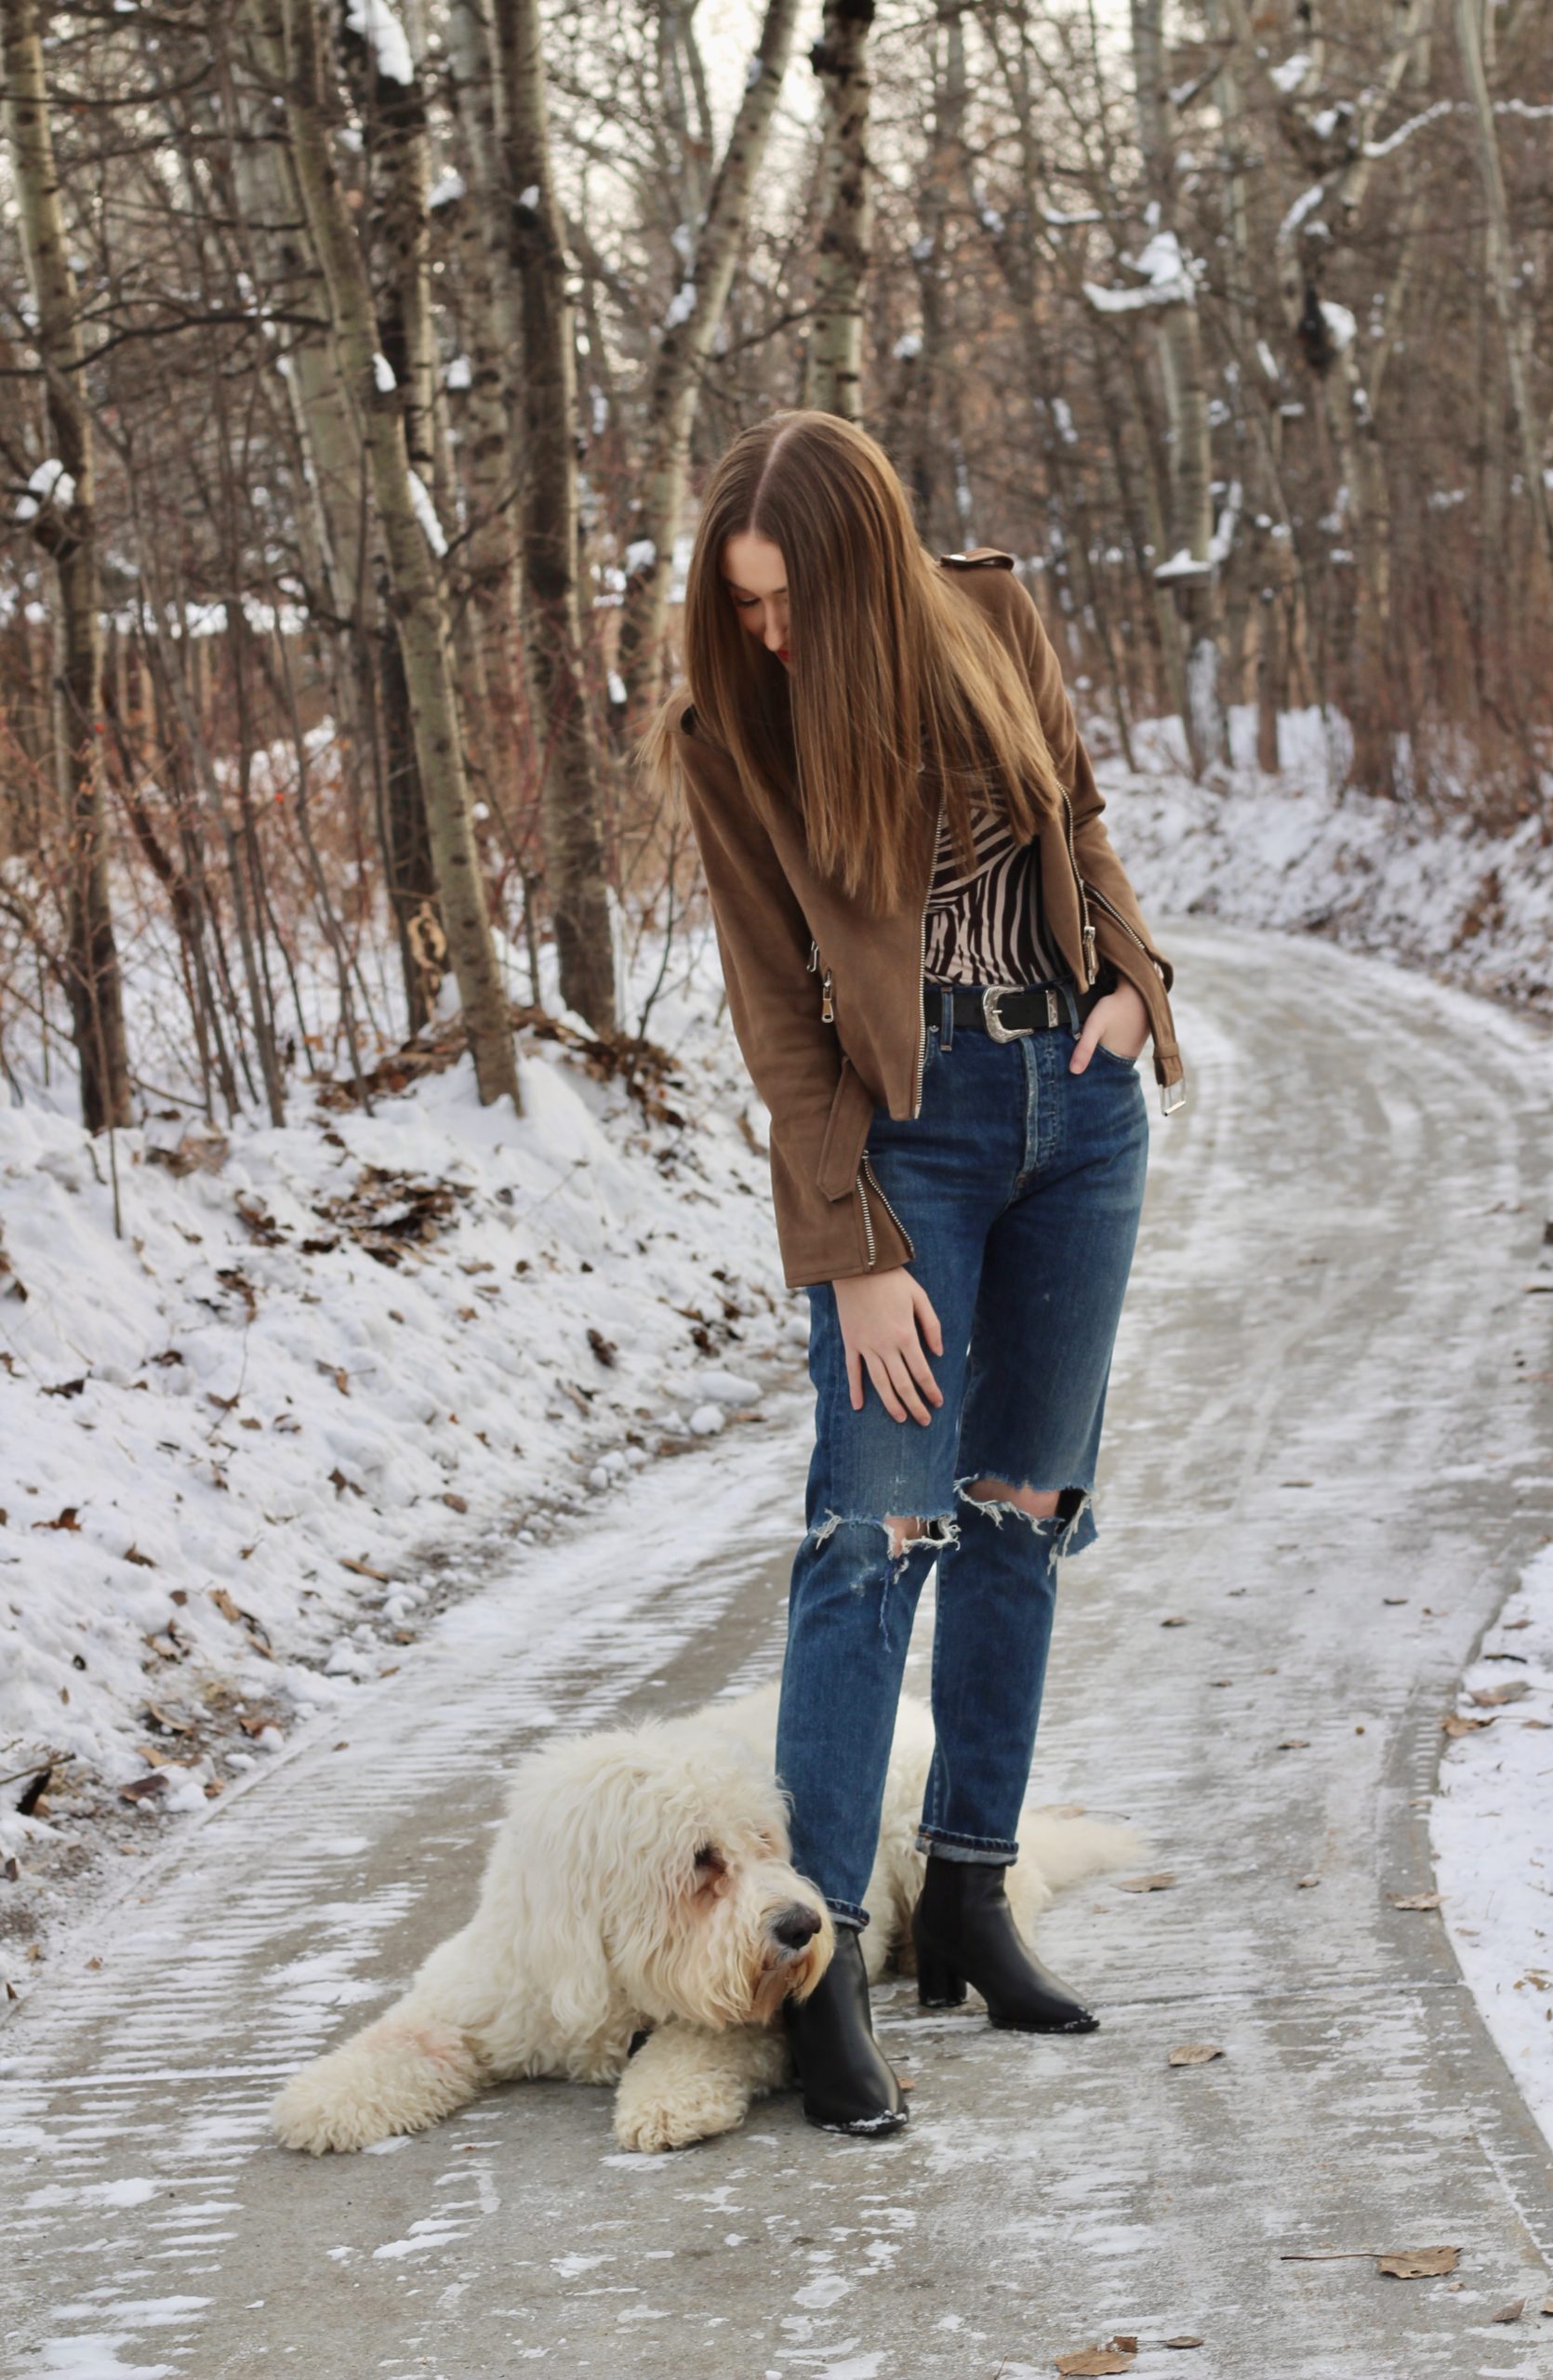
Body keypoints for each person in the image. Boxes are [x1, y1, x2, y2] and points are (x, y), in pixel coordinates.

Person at [640, 410, 1184, 2135]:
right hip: (909, 1137)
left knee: (1021, 1506)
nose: (767, 630)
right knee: (872, 1537)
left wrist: (1130, 979)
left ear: (865, 574)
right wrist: (856, 1249)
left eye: (790, 598)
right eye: (743, 604)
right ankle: (831, 1969)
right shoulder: (738, 726)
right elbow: (778, 1021)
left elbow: (1077, 813)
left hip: (1075, 1113)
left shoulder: (992, 620)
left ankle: (971, 1889)